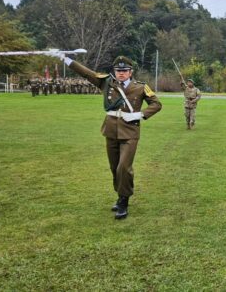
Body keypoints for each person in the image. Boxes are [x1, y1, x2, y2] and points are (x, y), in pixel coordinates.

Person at [49, 53, 162, 219]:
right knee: (114, 167)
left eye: (124, 70)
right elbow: (86, 73)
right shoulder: (107, 82)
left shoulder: (140, 87)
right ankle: (120, 195)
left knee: (124, 167)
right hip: (110, 131)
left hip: (130, 132)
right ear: (114, 71)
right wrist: (65, 59)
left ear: (130, 72)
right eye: (118, 70)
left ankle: (124, 201)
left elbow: (157, 104)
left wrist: (139, 115)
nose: (121, 73)